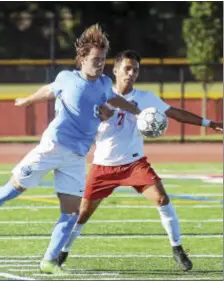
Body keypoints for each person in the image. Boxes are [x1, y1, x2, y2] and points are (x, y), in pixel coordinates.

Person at [0, 26, 140, 275]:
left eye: (103, 60)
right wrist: (28, 100)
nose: (100, 64)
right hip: (51, 147)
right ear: (82, 59)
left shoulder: (104, 83)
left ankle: (48, 261)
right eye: (95, 60)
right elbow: (48, 90)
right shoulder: (67, 78)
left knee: (71, 213)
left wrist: (132, 109)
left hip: (76, 157)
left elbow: (111, 100)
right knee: (11, 190)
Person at [56, 50, 223, 272]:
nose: (132, 73)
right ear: (115, 70)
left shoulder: (146, 98)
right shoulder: (98, 96)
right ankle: (62, 252)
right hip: (103, 166)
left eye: (135, 69)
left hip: (135, 164)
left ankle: (177, 249)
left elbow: (175, 113)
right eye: (127, 68)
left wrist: (209, 123)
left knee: (162, 199)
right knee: (82, 213)